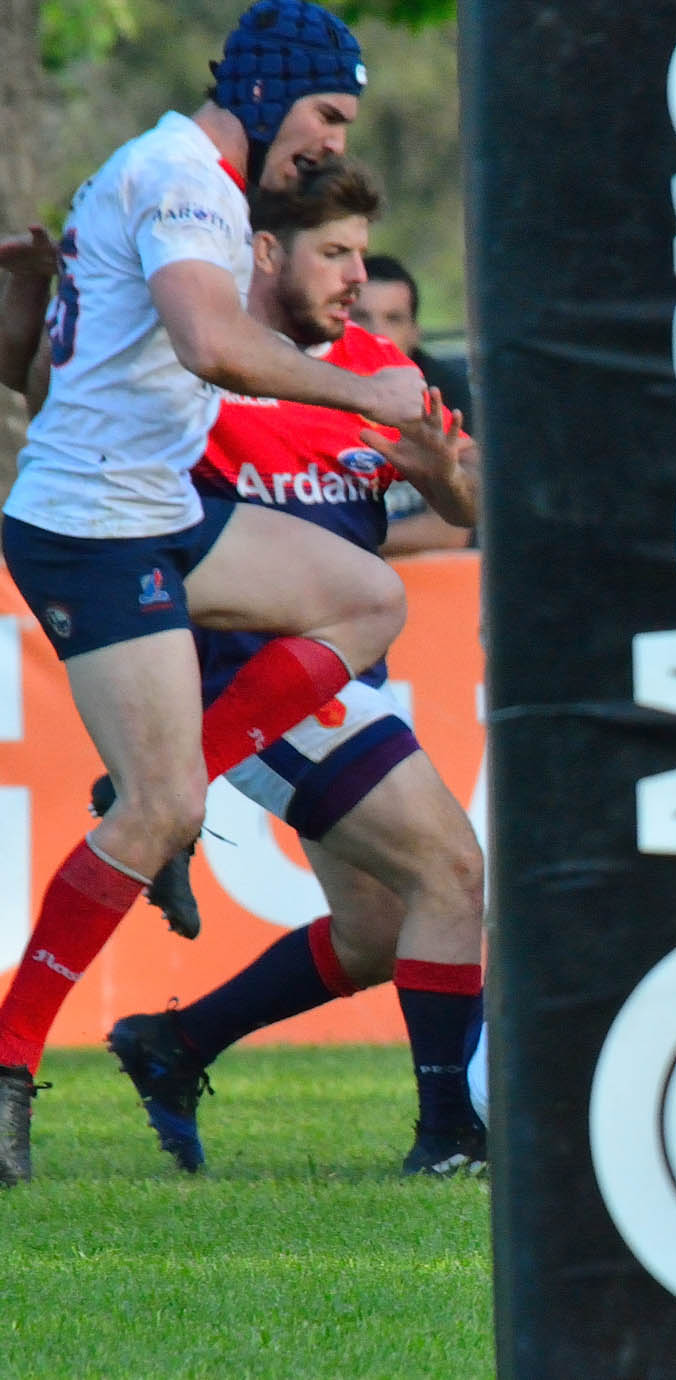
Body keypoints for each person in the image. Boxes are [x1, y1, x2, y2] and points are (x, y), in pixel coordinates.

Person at [0, 0, 429, 1188]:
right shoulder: (187, 180)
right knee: (154, 813)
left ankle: (178, 774)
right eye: (326, 113)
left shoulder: (152, 173)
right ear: (266, 91)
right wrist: (368, 397)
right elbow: (209, 345)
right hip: (95, 523)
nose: (333, 144)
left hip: (158, 506)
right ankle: (8, 1065)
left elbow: (34, 371)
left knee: (366, 598)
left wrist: (32, 295)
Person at [89, 159, 481, 1178]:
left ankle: (174, 1046)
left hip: (336, 676)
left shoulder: (374, 371)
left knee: (379, 932)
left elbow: (475, 505)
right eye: (335, 253)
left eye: (361, 251)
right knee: (453, 871)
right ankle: (449, 1143)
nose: (357, 275)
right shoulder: (203, 366)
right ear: (265, 253)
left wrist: (438, 469)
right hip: (242, 673)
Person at [351, 254, 477, 556]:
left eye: (393, 319)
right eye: (360, 317)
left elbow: (451, 532)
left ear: (415, 332)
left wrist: (337, 538)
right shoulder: (302, 388)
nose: (377, 334)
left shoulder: (446, 393)